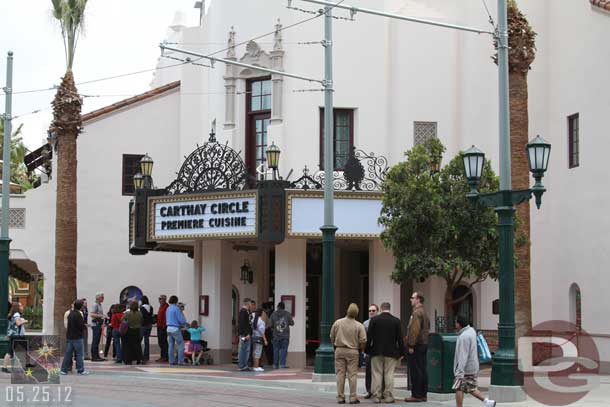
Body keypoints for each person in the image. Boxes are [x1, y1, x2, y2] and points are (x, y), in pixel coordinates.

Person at [453, 315, 496, 407]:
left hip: (466, 368)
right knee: (470, 388)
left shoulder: (464, 336)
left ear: (459, 324)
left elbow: (462, 355)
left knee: (458, 387)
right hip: (473, 366)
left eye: (456, 322)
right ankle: (487, 402)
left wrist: (459, 371)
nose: (455, 324)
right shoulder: (471, 331)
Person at [366, 302, 404, 403]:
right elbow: (400, 338)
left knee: (376, 374)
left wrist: (367, 349)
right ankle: (388, 396)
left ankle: (376, 396)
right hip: (391, 352)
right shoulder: (396, 321)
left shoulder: (374, 320)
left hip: (376, 351)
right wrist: (401, 353)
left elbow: (369, 336)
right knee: (389, 374)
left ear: (381, 309)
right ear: (389, 308)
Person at [330, 303, 367, 405]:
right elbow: (363, 340)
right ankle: (353, 397)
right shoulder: (359, 325)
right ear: (356, 313)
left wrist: (335, 346)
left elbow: (331, 336)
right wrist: (361, 349)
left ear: (347, 311)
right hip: (353, 351)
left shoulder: (337, 323)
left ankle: (340, 397)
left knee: (340, 374)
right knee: (352, 375)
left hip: (339, 350)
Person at [405, 292, 430, 403]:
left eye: (412, 298)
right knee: (423, 369)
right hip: (423, 344)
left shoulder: (417, 313)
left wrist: (411, 344)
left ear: (418, 299)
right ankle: (423, 394)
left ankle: (416, 395)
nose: (410, 300)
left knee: (416, 370)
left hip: (417, 345)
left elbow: (414, 330)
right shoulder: (424, 312)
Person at [60, 299, 90, 375]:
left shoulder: (69, 314)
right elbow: (80, 326)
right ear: (80, 306)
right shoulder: (79, 314)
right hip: (78, 337)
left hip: (70, 337)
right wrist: (84, 326)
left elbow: (67, 325)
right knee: (79, 354)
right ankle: (80, 370)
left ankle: (63, 370)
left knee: (68, 354)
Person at [2, 302, 28, 373]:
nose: (22, 307)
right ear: (17, 307)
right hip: (18, 336)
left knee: (10, 351)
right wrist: (24, 321)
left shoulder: (13, 314)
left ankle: (4, 367)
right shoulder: (17, 314)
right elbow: (18, 323)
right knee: (23, 350)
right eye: (21, 306)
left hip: (14, 335)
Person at [270, 301, 294, 369]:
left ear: (278, 307)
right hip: (285, 336)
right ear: (284, 307)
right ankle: (282, 364)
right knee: (284, 350)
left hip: (276, 335)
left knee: (276, 350)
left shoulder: (273, 314)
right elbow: (292, 323)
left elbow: (270, 325)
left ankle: (275, 364)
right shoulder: (287, 314)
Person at [363, 303, 380, 399]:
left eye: (373, 311)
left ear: (377, 312)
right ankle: (369, 390)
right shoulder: (365, 323)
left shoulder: (380, 322)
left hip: (377, 350)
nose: (371, 312)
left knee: (377, 372)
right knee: (368, 372)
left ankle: (377, 391)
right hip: (369, 351)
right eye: (370, 311)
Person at [166, 295, 187, 366]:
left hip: (168, 328)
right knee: (181, 344)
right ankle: (180, 361)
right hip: (175, 328)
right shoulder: (176, 308)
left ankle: (171, 361)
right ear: (176, 301)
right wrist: (185, 323)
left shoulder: (168, 308)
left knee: (171, 345)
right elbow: (181, 320)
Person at [122, 300, 143, 365]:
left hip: (129, 330)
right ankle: (139, 359)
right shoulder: (140, 313)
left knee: (128, 346)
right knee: (137, 345)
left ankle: (128, 360)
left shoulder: (127, 313)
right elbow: (142, 321)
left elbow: (122, 320)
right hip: (137, 330)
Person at [237, 297, 253, 371]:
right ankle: (242, 365)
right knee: (243, 349)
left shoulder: (247, 311)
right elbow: (243, 324)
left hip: (246, 333)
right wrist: (247, 334)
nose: (251, 304)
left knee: (246, 349)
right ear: (247, 303)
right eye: (250, 303)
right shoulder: (243, 311)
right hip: (244, 334)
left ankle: (244, 365)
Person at [89, 292, 106, 361]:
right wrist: (101, 316)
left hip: (99, 324)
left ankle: (97, 356)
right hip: (95, 324)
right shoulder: (95, 305)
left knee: (97, 341)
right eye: (102, 297)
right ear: (98, 298)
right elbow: (92, 314)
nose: (103, 298)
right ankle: (94, 356)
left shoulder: (99, 305)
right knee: (95, 341)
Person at [140, 296, 154, 362]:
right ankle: (146, 356)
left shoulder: (142, 308)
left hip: (143, 325)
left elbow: (141, 317)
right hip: (149, 325)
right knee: (146, 341)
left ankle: (140, 355)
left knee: (139, 340)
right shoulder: (151, 307)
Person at [155, 295, 169, 362]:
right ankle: (163, 356)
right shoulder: (161, 306)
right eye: (159, 299)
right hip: (159, 326)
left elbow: (166, 317)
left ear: (164, 299)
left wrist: (164, 326)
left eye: (161, 299)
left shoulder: (166, 306)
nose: (159, 300)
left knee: (163, 342)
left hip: (163, 327)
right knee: (160, 342)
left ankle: (165, 356)